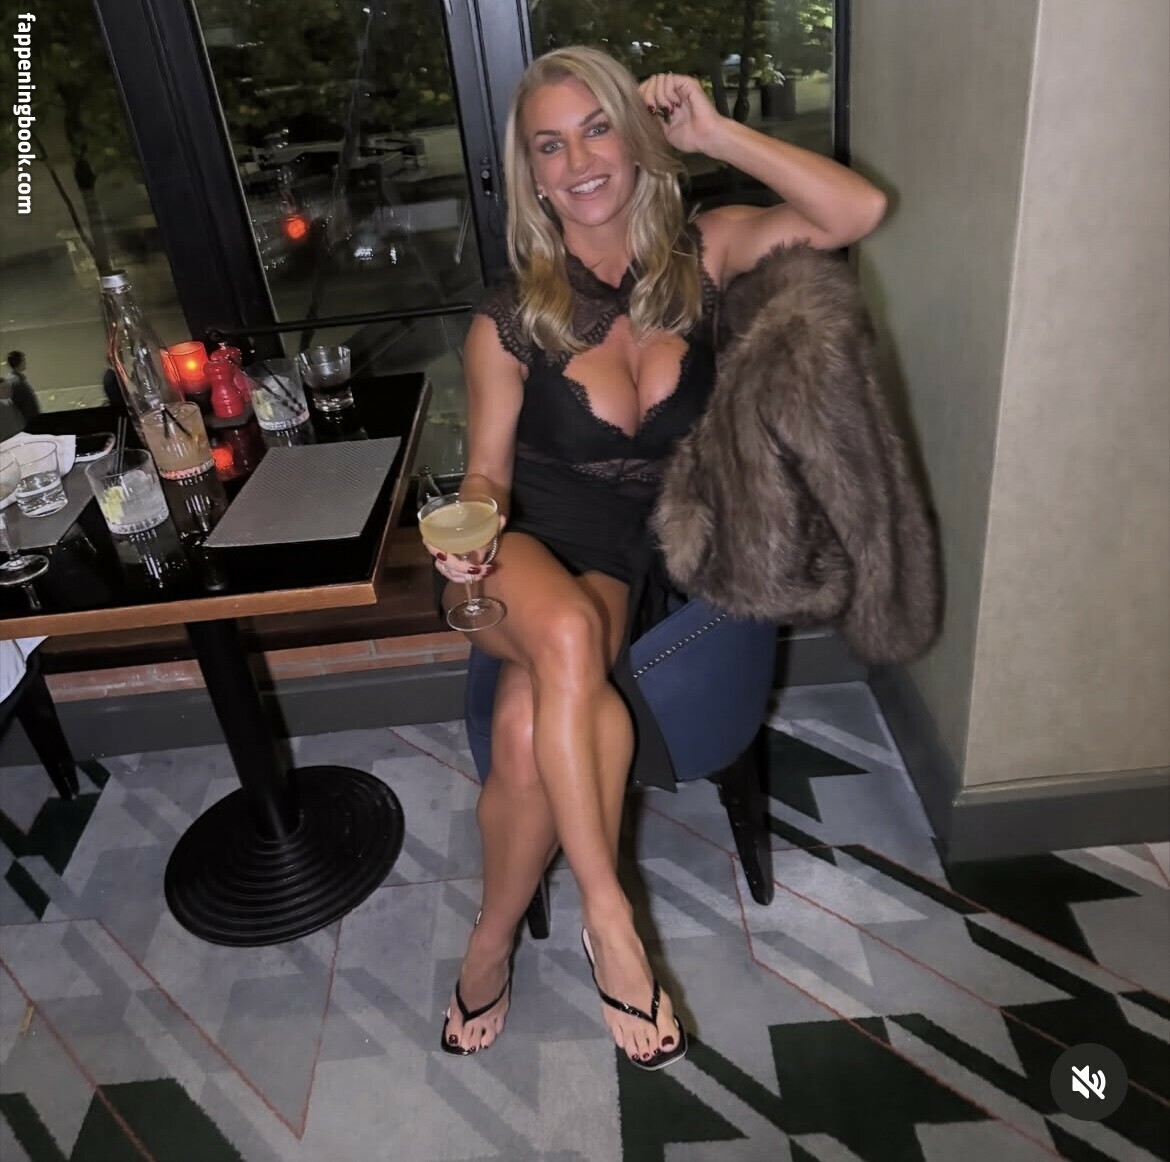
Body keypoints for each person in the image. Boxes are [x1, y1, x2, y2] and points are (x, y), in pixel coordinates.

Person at [424, 45, 887, 1067]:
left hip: (636, 561)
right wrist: (469, 534)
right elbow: (487, 476)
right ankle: (611, 919)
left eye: (598, 129)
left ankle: (488, 944)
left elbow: (854, 212)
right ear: (532, 174)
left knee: (526, 723)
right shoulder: (507, 319)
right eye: (551, 145)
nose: (580, 160)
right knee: (563, 634)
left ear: (636, 142)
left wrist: (714, 133)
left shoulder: (705, 254)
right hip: (518, 558)